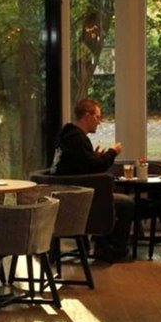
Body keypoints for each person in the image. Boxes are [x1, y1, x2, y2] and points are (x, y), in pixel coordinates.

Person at [49, 98, 134, 263]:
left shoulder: (66, 136)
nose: (99, 122)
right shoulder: (78, 140)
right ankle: (113, 249)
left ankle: (102, 244)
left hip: (64, 194)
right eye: (97, 117)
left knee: (112, 199)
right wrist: (112, 152)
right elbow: (96, 167)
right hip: (77, 199)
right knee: (126, 204)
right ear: (87, 116)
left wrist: (94, 156)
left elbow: (81, 165)